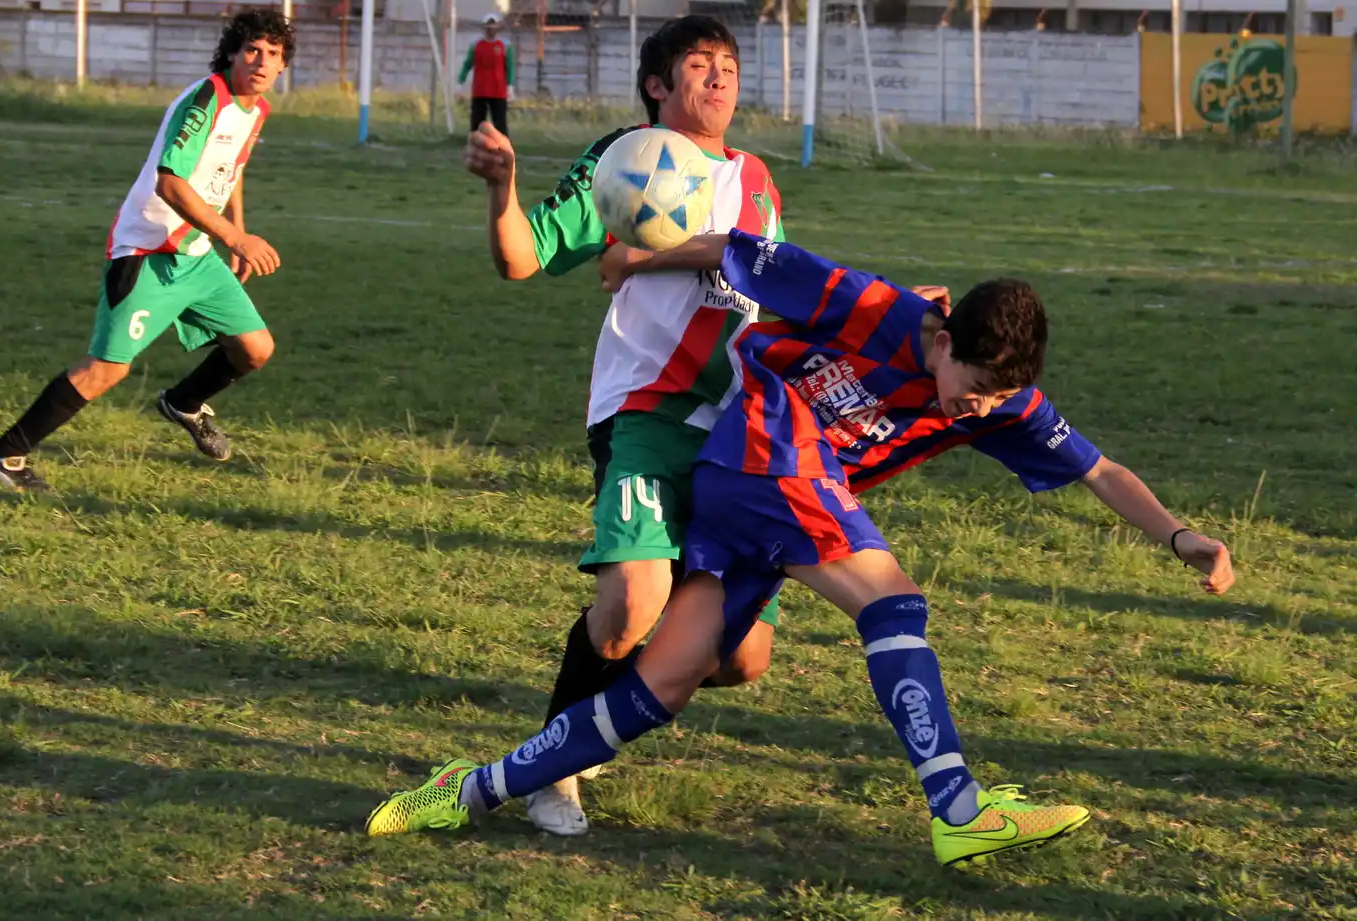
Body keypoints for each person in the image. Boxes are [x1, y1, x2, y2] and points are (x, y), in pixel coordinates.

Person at [364, 231, 1237, 867]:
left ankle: (465, 789)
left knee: (660, 686)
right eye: (968, 390)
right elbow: (731, 247)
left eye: (992, 399)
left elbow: (1100, 468)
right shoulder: (872, 306)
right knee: (892, 603)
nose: (973, 410)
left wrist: (1180, 536)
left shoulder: (1002, 397)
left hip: (760, 495)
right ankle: (959, 806)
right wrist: (633, 261)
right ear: (942, 340)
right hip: (769, 460)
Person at [458, 15, 789, 836]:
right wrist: (503, 190)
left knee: (742, 658)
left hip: (735, 433)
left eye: (728, 65)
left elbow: (763, 279)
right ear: (656, 84)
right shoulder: (628, 161)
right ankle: (553, 770)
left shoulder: (758, 180)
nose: (718, 78)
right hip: (645, 412)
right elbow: (522, 256)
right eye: (698, 65)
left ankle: (600, 717)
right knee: (627, 610)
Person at [0, 9, 294, 491]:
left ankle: (184, 403)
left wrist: (235, 233)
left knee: (255, 348)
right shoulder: (207, 98)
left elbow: (232, 167)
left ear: (284, 66)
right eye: (253, 50)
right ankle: (4, 456)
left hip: (197, 251)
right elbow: (170, 184)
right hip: (148, 249)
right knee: (106, 369)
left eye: (273, 54)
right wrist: (235, 237)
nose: (262, 61)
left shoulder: (257, 109)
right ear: (233, 52)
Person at [458, 12, 515, 136]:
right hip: (480, 90)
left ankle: (502, 148)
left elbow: (510, 67)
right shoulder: (476, 45)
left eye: (494, 25)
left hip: (498, 91)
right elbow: (468, 64)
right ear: (484, 27)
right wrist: (460, 82)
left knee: (500, 123)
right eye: (488, 26)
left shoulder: (505, 45)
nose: (491, 29)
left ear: (498, 27)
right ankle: (476, 147)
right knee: (477, 123)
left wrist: (510, 86)